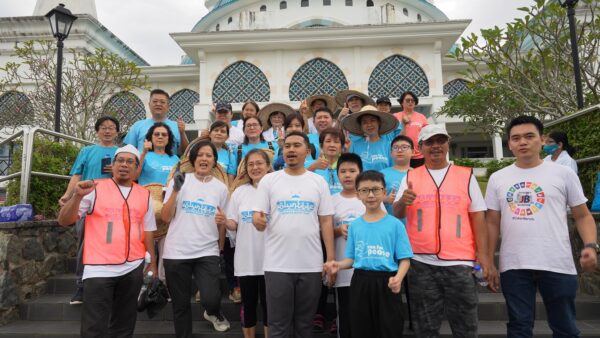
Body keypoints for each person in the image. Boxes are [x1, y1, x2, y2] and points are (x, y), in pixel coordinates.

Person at [485, 115, 598, 338]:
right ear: (509, 144)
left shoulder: (563, 173)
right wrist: (488, 261)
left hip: (557, 262)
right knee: (519, 327)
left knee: (565, 326)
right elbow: (491, 221)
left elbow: (583, 216)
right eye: (516, 138)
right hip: (514, 265)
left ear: (541, 139)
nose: (522, 142)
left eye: (529, 136)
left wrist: (591, 245)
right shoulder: (498, 178)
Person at [393, 124, 490, 338]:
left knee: (465, 326)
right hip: (421, 262)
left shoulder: (465, 175)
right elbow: (398, 212)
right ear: (420, 147)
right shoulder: (410, 177)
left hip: (460, 262)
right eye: (430, 142)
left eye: (440, 141)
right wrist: (402, 201)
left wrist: (483, 256)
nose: (436, 146)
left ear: (448, 143)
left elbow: (478, 216)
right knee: (425, 327)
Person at [57, 144, 157, 338]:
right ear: (112, 165)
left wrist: (152, 262)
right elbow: (64, 220)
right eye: (120, 160)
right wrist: (76, 196)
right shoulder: (93, 188)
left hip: (133, 267)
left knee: (124, 325)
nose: (124, 165)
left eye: (130, 162)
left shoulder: (144, 194)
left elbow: (149, 230)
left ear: (137, 168)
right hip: (99, 268)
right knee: (94, 327)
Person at [253, 131, 336, 338]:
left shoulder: (318, 182)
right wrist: (258, 221)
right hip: (277, 265)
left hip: (311, 264)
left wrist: (331, 259)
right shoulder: (269, 181)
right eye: (287, 145)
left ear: (307, 151)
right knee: (278, 326)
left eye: (297, 145)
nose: (291, 149)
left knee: (305, 325)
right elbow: (258, 217)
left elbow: (326, 222)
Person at [325, 170, 413, 338]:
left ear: (384, 192)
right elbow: (351, 259)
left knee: (389, 328)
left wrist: (398, 278)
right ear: (358, 194)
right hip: (360, 282)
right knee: (361, 329)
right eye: (365, 190)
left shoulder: (395, 225)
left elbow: (405, 259)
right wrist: (338, 264)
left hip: (387, 281)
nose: (371, 195)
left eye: (375, 189)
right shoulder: (355, 226)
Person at [161, 140, 231, 336]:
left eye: (209, 155)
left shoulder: (221, 188)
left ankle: (213, 312)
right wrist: (175, 190)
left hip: (207, 251)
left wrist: (220, 249)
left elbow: (222, 223)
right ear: (193, 159)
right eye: (200, 155)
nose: (204, 159)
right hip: (176, 252)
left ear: (214, 162)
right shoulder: (180, 181)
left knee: (211, 298)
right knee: (181, 305)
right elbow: (166, 217)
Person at [58, 116, 120, 305]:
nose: (107, 131)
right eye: (103, 128)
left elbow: (133, 175)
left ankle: (113, 285)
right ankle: (81, 286)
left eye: (111, 128)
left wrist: (116, 170)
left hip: (113, 204)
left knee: (112, 244)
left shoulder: (121, 152)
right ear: (97, 131)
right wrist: (68, 195)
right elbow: (77, 175)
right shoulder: (87, 151)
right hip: (88, 204)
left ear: (117, 131)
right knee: (85, 244)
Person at [225, 149, 272, 338]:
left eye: (259, 163)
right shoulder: (239, 193)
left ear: (268, 166)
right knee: (248, 303)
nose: (255, 167)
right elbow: (233, 223)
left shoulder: (275, 190)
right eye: (250, 164)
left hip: (272, 261)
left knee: (270, 305)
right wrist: (222, 220)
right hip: (246, 260)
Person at [329, 153, 364, 338]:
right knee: (345, 316)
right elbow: (323, 233)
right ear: (337, 174)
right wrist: (337, 230)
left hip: (367, 271)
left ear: (361, 172)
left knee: (366, 318)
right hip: (343, 271)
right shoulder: (331, 201)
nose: (348, 175)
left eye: (352, 171)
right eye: (343, 171)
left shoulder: (369, 198)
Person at [124, 89, 189, 155]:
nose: (158, 104)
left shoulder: (176, 126)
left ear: (168, 106)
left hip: (170, 165)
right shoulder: (137, 125)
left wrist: (182, 133)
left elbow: (185, 152)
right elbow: (128, 150)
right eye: (155, 101)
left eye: (162, 102)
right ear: (149, 105)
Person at [343, 105, 400, 171]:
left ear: (379, 122)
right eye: (364, 122)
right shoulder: (354, 145)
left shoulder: (389, 146)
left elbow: (394, 170)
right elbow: (348, 168)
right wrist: (346, 151)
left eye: (372, 120)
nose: (369, 125)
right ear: (361, 126)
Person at [393, 91, 428, 168]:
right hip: (401, 154)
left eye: (413, 100)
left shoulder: (422, 117)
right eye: (408, 100)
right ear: (402, 102)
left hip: (419, 156)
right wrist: (403, 124)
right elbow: (394, 137)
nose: (410, 102)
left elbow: (426, 136)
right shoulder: (395, 117)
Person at [380, 135, 413, 215]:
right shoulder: (381, 174)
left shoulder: (420, 174)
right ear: (391, 153)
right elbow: (371, 197)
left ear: (413, 152)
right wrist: (386, 199)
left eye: (404, 147)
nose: (400, 150)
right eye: (395, 147)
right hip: (389, 224)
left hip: (414, 224)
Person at [309, 127, 345, 194]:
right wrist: (312, 168)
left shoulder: (347, 167)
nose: (332, 145)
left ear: (342, 147)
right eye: (328, 141)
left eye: (336, 142)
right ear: (321, 146)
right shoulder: (311, 166)